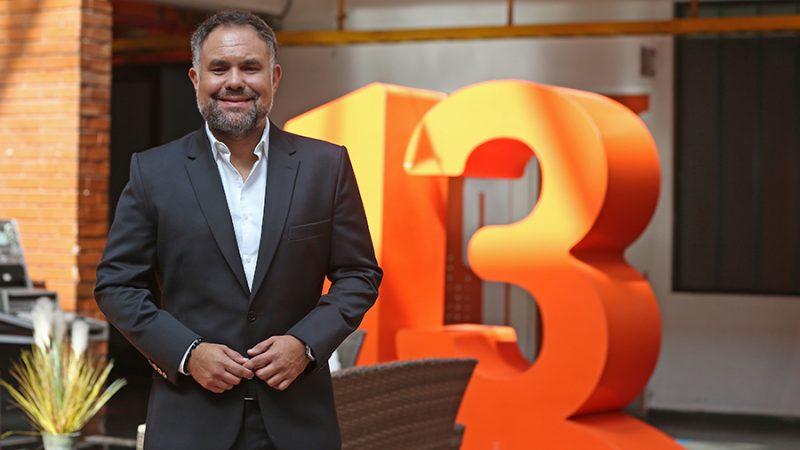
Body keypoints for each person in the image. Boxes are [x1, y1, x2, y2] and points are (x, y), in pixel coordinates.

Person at [95, 9, 381, 450]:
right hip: (190, 422)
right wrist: (186, 353)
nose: (234, 82)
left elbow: (359, 274)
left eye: (250, 67)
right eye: (219, 68)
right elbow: (116, 285)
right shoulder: (153, 172)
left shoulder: (326, 166)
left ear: (274, 77)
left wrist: (305, 344)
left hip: (298, 422)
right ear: (196, 79)